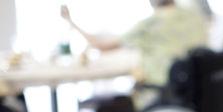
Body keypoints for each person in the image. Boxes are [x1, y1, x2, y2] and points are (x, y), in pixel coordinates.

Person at [60, 0, 209, 87]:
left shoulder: (150, 24)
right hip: (195, 91)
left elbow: (101, 46)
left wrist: (70, 22)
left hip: (164, 90)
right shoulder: (194, 16)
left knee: (108, 111)